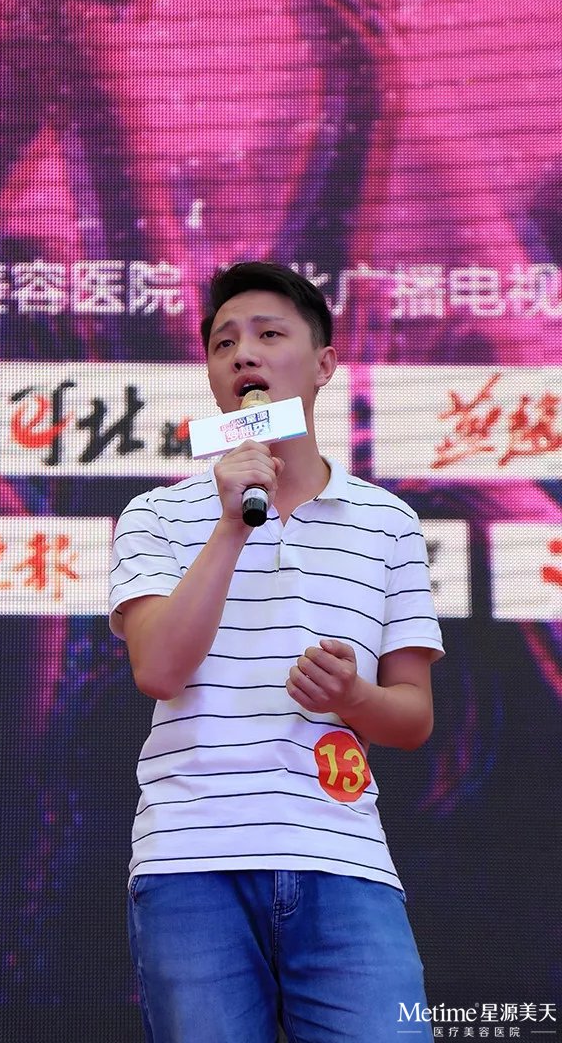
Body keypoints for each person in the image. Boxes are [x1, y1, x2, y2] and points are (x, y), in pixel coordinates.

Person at [109, 261, 444, 1043]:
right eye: (224, 343)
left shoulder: (388, 523)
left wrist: (353, 697)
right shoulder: (155, 515)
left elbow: (413, 718)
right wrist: (233, 523)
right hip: (191, 857)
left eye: (268, 335)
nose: (244, 355)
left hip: (343, 858)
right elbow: (158, 669)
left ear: (324, 365)